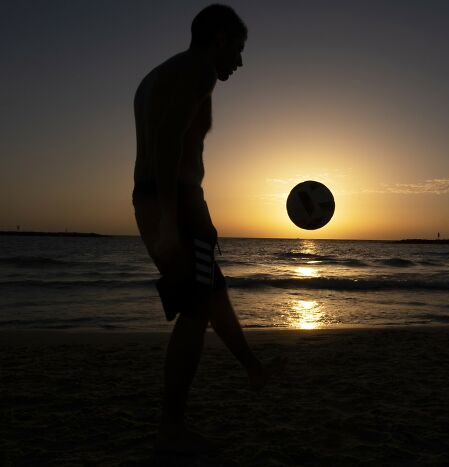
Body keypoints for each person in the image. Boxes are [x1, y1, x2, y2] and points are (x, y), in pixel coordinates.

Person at [132, 4, 283, 453]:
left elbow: (170, 141)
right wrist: (171, 221)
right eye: (237, 49)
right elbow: (167, 142)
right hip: (171, 199)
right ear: (217, 38)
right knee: (196, 311)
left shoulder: (159, 75)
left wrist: (189, 211)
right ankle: (171, 426)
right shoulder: (198, 72)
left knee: (210, 294)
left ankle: (253, 368)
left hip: (168, 198)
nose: (239, 60)